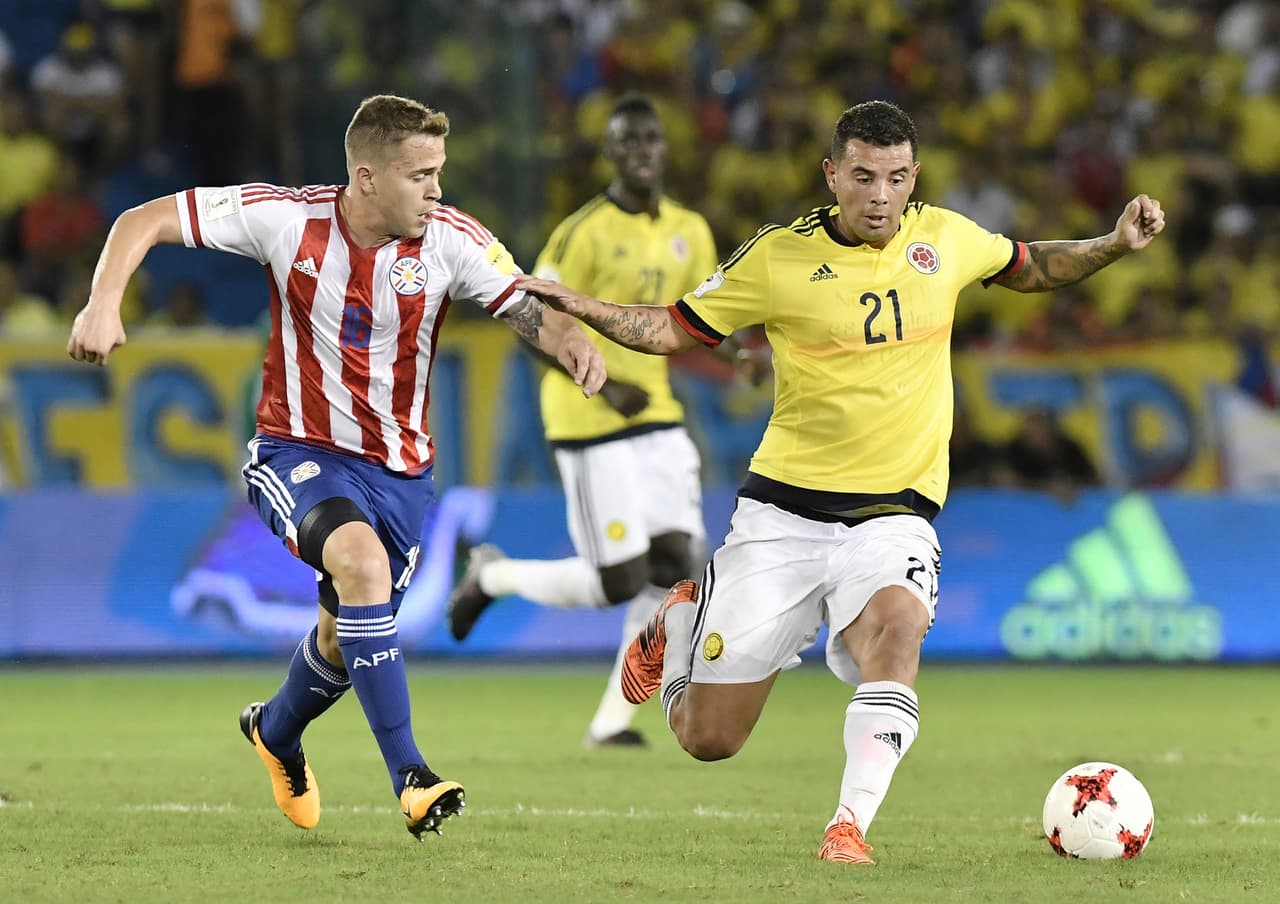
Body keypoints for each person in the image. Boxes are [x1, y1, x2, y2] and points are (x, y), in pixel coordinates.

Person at [516, 100, 1165, 864]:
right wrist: (579, 307)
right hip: (781, 519)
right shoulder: (777, 257)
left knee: (898, 631)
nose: (879, 195)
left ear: (913, 177)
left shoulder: (947, 238)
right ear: (833, 176)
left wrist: (1113, 243)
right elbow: (672, 328)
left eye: (894, 178)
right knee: (708, 740)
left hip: (896, 516)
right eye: (862, 176)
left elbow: (1027, 267)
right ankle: (684, 623)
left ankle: (847, 826)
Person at [66, 94, 605, 838]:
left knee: (342, 639)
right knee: (361, 567)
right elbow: (143, 219)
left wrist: (571, 343)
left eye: (439, 172)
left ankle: (276, 733)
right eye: (421, 174)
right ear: (367, 176)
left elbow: (524, 307)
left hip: (403, 478)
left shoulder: (450, 240)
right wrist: (103, 303)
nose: (438, 190)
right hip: (297, 451)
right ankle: (410, 775)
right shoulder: (286, 220)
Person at [445, 94, 718, 749]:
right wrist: (600, 381)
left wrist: (743, 350)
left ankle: (612, 721)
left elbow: (709, 313)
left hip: (655, 411)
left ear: (664, 148)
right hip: (589, 413)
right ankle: (492, 576)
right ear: (611, 154)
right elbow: (527, 318)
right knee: (619, 579)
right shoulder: (581, 232)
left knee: (679, 564)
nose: (642, 151)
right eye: (627, 142)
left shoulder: (692, 230)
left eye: (650, 139)